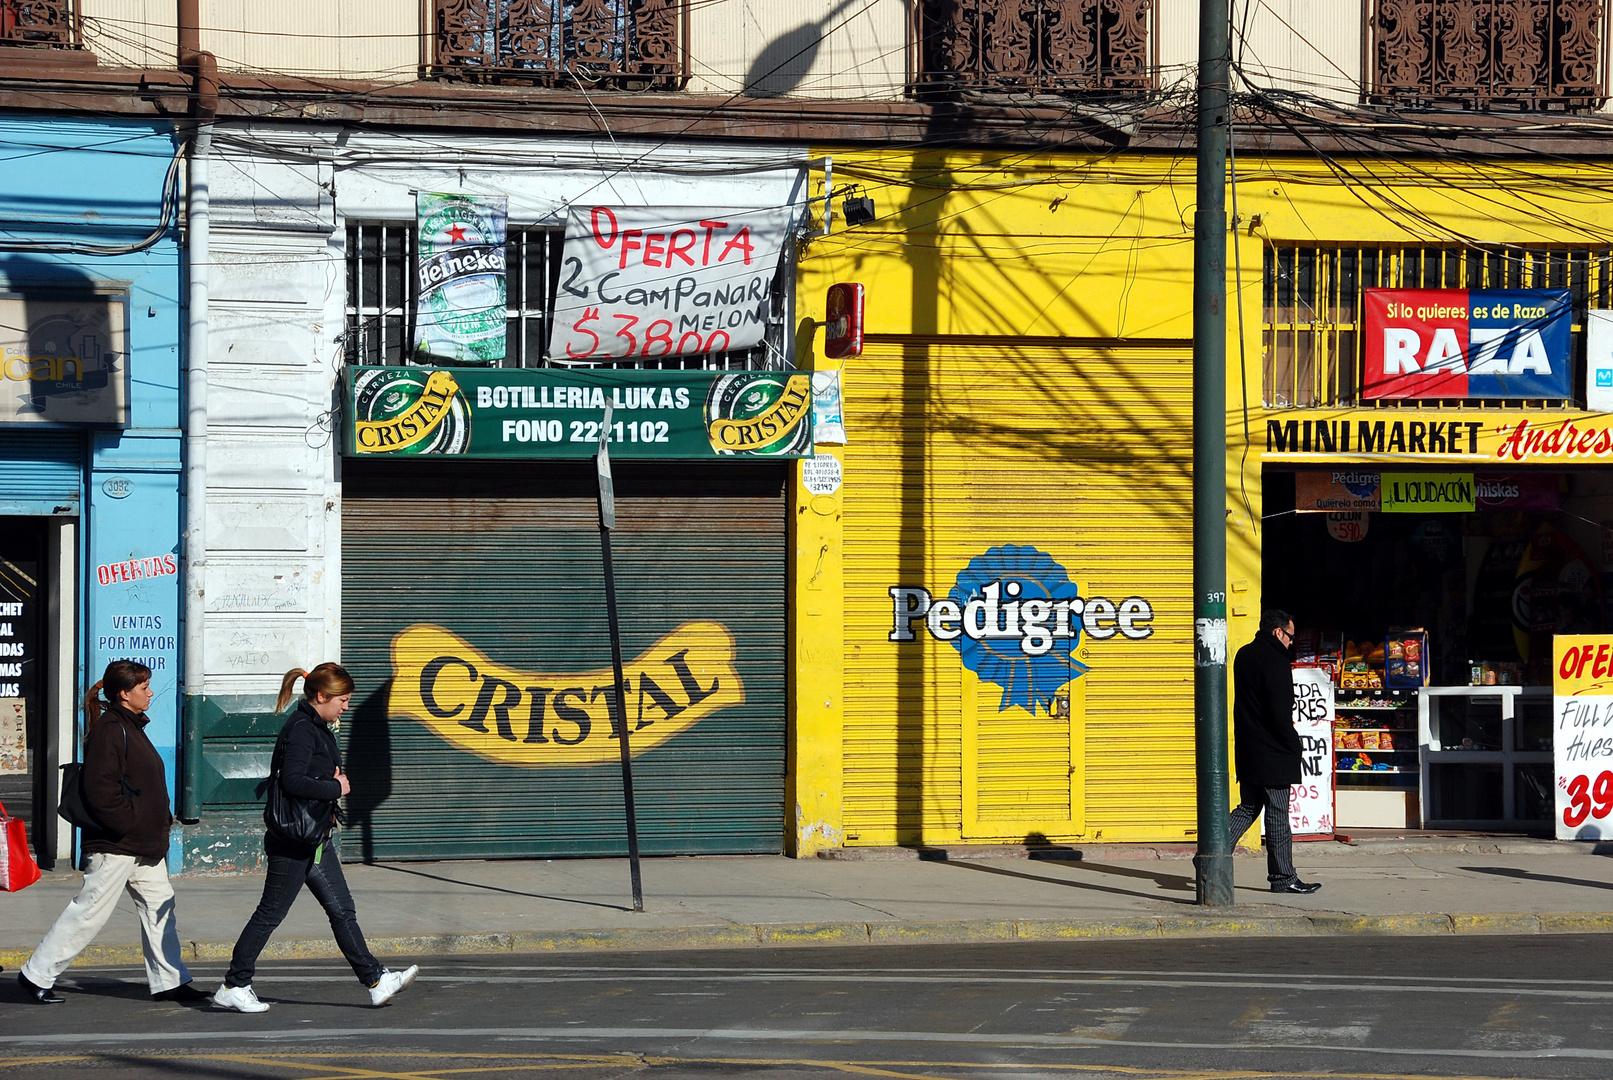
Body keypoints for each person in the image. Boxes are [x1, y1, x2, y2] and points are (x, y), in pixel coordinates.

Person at [213, 663, 417, 1013]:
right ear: (321, 696)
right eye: (343, 700)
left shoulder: (318, 726)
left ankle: (375, 980)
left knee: (342, 910)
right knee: (270, 914)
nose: (346, 706)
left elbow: (308, 773)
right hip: (294, 842)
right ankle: (235, 984)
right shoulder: (304, 729)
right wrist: (334, 786)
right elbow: (292, 781)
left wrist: (328, 779)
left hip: (314, 839)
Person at [17, 660, 211, 1005]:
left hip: (141, 845)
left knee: (160, 908)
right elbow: (101, 791)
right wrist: (130, 823)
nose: (150, 693)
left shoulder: (130, 726)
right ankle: (36, 974)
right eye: (144, 687)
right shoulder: (111, 730)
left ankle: (169, 980)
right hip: (117, 844)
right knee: (89, 912)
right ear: (124, 693)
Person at [1229, 610, 1322, 895]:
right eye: (1290, 636)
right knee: (1278, 814)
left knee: (1248, 807)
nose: (1292, 643)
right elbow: (1279, 712)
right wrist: (1293, 745)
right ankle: (1283, 878)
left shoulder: (1243, 655)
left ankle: (1211, 855)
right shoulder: (1276, 661)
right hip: (1273, 750)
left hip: (1249, 747)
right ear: (1277, 632)